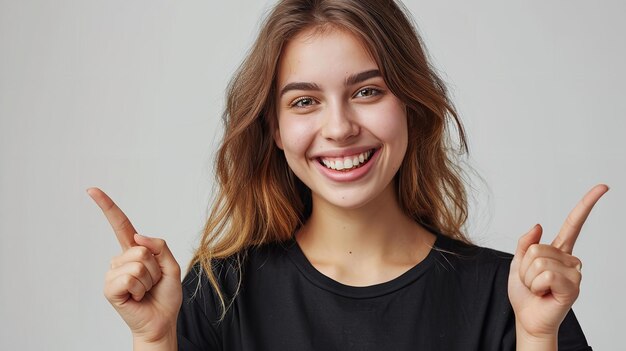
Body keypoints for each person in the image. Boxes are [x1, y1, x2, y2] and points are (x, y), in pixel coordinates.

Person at [87, 0, 609, 350]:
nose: (338, 128)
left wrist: (539, 338)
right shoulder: (220, 293)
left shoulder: (510, 296)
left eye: (367, 91)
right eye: (305, 101)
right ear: (273, 127)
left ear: (410, 104)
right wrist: (155, 340)